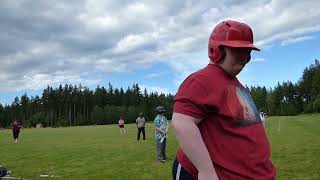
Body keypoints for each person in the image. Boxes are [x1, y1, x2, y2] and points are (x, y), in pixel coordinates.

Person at [171, 20, 276, 180]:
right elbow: (182, 122)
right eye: (238, 50)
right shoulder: (201, 80)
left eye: (248, 51)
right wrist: (206, 171)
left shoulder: (235, 84)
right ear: (217, 49)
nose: (245, 57)